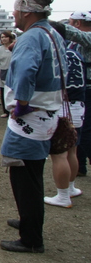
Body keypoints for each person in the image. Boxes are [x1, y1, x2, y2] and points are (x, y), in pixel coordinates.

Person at [0, 0, 63, 254]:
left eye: (16, 8)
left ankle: (32, 237)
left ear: (25, 10)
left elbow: (26, 72)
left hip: (32, 114)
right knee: (32, 173)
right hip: (47, 113)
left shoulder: (31, 37)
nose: (13, 13)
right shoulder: (51, 33)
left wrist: (21, 104)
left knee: (25, 175)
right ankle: (29, 221)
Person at [43, 22, 83, 207]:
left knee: (59, 153)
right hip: (78, 105)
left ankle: (63, 195)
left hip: (62, 106)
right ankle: (71, 187)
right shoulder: (75, 53)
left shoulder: (55, 53)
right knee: (72, 149)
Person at [63, 12, 91, 177]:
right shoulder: (73, 43)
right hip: (78, 90)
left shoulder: (87, 37)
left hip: (88, 89)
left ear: (78, 23)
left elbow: (79, 35)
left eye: (71, 22)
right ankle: (80, 166)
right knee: (77, 130)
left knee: (86, 131)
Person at [0, 31, 15, 117]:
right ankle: (6, 111)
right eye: (2, 37)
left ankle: (14, 110)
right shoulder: (0, 49)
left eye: (5, 37)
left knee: (13, 92)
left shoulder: (15, 47)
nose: (4, 39)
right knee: (3, 91)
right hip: (2, 71)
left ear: (10, 38)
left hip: (13, 71)